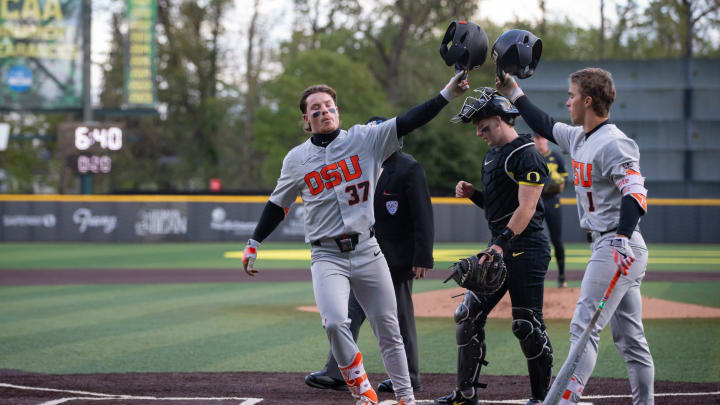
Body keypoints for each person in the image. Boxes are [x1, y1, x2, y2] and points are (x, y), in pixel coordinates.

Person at [242, 72, 469, 405]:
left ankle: (406, 397)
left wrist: (447, 93)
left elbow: (409, 120)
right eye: (315, 109)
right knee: (335, 322)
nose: (323, 111)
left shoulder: (365, 139)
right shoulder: (295, 160)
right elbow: (278, 205)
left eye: (328, 106)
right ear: (306, 119)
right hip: (326, 255)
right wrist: (254, 243)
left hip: (367, 249)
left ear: (338, 111)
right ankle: (363, 389)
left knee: (389, 329)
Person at [496, 68, 654, 404]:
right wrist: (513, 91)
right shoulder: (580, 137)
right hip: (613, 245)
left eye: (571, 95)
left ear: (587, 100)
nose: (567, 101)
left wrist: (623, 237)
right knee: (631, 341)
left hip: (615, 245)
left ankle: (559, 401)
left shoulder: (613, 142)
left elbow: (636, 192)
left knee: (583, 332)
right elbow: (543, 123)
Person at [434, 87, 553, 405]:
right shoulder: (493, 155)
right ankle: (465, 393)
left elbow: (526, 209)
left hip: (527, 249)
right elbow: (499, 208)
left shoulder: (526, 154)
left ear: (500, 120)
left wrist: (499, 245)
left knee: (526, 325)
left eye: (483, 126)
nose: (479, 133)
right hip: (501, 246)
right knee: (467, 314)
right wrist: (475, 194)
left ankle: (541, 398)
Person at [304, 116, 433, 395]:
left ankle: (410, 377)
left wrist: (422, 257)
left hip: (397, 258)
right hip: (362, 255)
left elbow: (423, 217)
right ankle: (336, 372)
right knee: (347, 315)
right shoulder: (356, 165)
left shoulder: (409, 168)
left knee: (399, 319)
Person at [532, 133, 569, 287]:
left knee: (557, 240)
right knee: (532, 241)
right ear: (534, 140)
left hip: (552, 201)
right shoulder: (531, 156)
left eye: (541, 137)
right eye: (536, 138)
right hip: (535, 202)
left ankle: (561, 277)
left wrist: (557, 183)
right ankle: (533, 277)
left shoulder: (556, 157)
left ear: (546, 139)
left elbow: (565, 180)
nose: (539, 140)